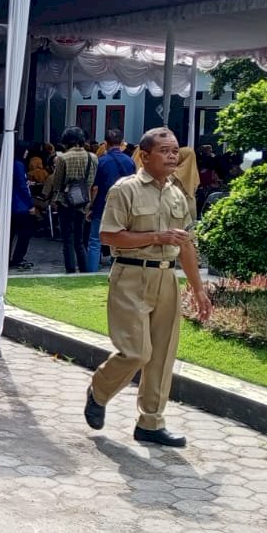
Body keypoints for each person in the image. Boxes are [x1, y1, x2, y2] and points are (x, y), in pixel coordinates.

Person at [84, 127, 214, 448]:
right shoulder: (124, 190)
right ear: (144, 156)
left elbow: (186, 245)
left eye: (175, 151)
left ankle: (151, 423)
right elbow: (109, 236)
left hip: (167, 278)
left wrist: (198, 289)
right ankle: (99, 391)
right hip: (131, 275)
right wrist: (156, 237)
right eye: (165, 151)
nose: (173, 156)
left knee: (163, 355)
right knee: (136, 352)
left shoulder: (177, 193)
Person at [44, 127, 97, 273]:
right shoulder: (93, 157)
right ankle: (85, 271)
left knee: (67, 240)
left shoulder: (62, 158)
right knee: (80, 241)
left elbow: (57, 182)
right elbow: (91, 181)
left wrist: (54, 198)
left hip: (65, 201)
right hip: (83, 200)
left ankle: (70, 270)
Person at [88, 133, 137, 271]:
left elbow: (95, 187)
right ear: (122, 142)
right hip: (125, 205)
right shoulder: (130, 161)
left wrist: (91, 205)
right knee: (119, 238)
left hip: (102, 204)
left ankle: (91, 271)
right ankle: (118, 268)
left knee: (94, 240)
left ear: (106, 143)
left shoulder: (102, 161)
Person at [8, 151, 36, 270]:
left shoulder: (10, 163)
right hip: (20, 205)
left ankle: (7, 257)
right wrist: (30, 204)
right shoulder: (18, 164)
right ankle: (18, 258)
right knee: (25, 233)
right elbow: (22, 186)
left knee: (11, 233)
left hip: (13, 204)